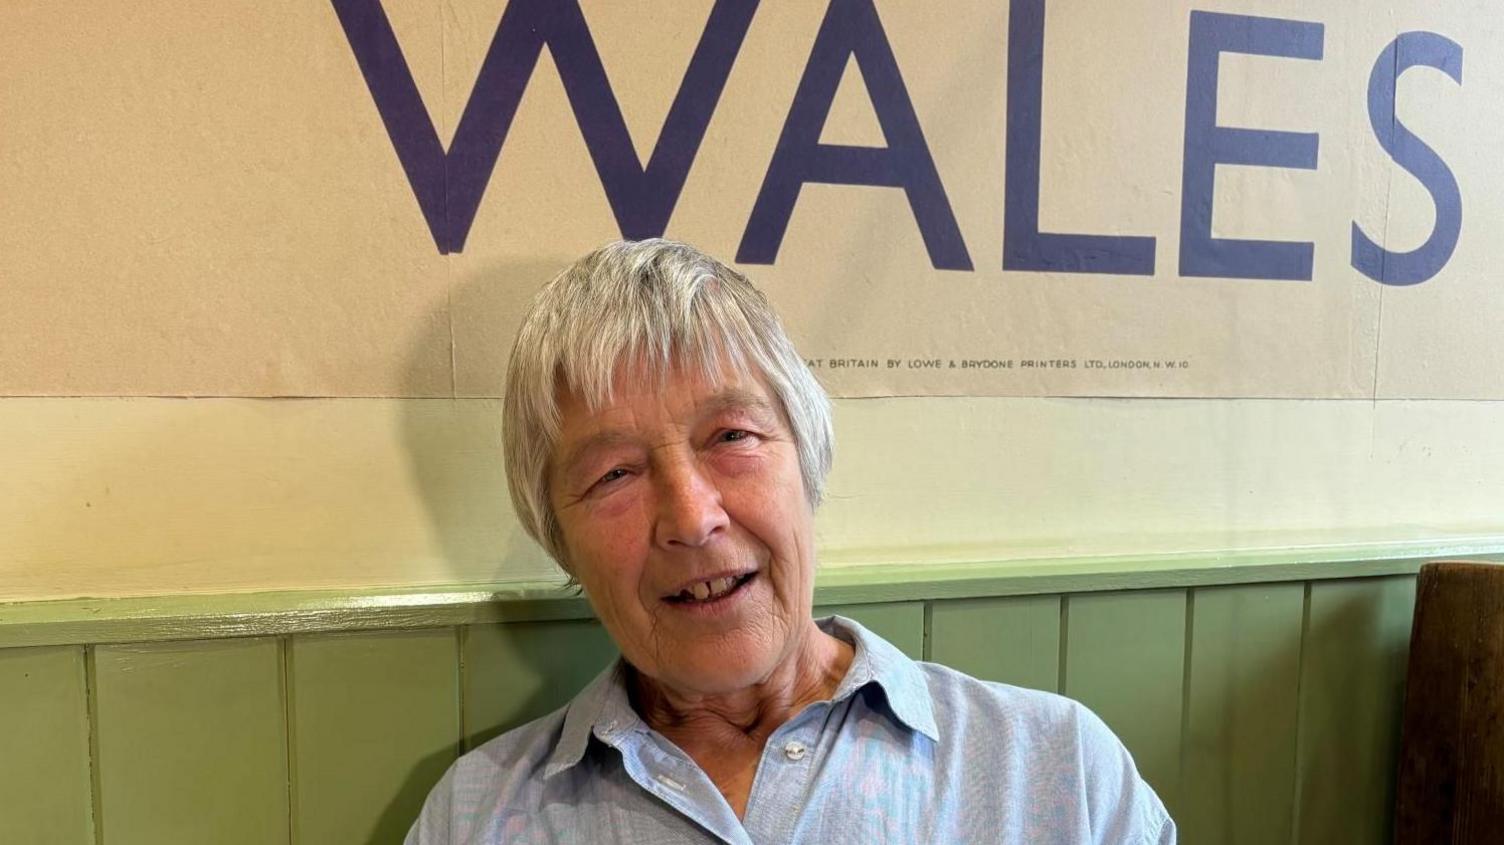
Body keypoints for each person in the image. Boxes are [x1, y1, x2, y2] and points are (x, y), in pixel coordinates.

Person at [407, 239, 1175, 844]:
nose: (691, 515)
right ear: (559, 539)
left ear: (806, 457)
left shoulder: (1054, 773)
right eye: (613, 474)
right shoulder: (475, 819)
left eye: (732, 434)